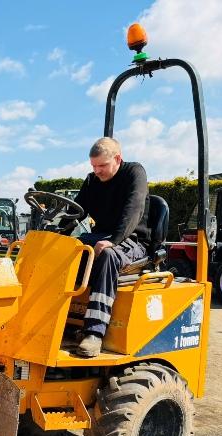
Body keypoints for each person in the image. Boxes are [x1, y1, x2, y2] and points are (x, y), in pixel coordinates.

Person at [72, 137, 150, 357]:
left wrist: (114, 240)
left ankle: (94, 333)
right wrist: (55, 235)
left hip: (132, 239)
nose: (97, 171)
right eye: (94, 166)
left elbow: (133, 210)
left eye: (102, 166)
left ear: (117, 159)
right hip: (101, 236)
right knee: (66, 250)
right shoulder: (92, 181)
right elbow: (76, 212)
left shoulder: (134, 173)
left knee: (107, 255)